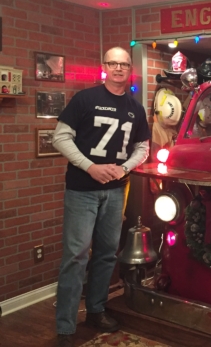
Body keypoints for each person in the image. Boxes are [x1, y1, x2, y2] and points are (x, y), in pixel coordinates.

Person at [52, 47, 150, 347]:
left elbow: (143, 148)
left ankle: (95, 310)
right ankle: (65, 327)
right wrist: (90, 167)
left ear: (130, 69)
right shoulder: (85, 99)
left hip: (115, 191)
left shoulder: (136, 108)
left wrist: (123, 169)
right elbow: (59, 137)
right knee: (76, 257)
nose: (118, 68)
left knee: (108, 253)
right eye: (113, 63)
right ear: (104, 66)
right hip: (82, 191)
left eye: (124, 64)